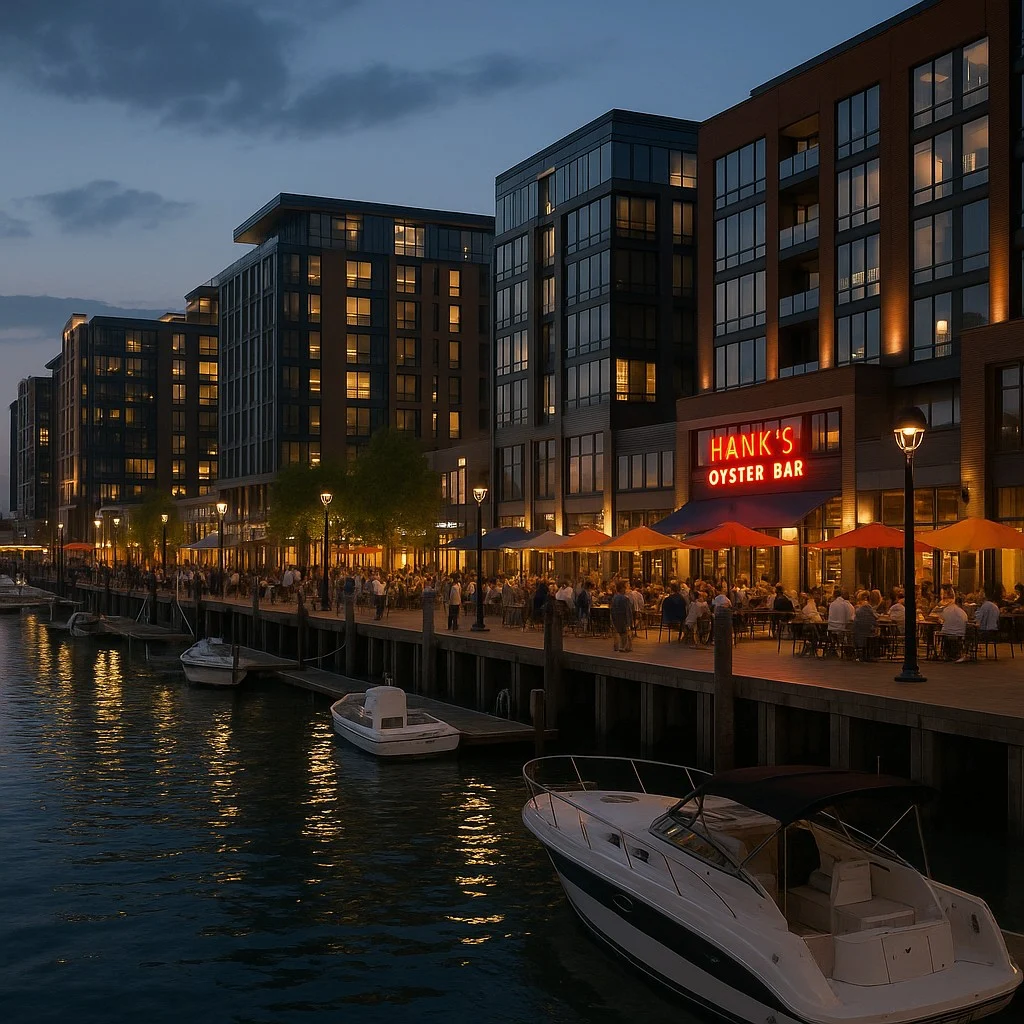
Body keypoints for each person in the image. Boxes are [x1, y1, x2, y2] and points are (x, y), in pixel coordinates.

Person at [852, 590, 878, 662]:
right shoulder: (869, 609)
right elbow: (875, 620)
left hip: (858, 631)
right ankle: (872, 654)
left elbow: (854, 620)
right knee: (875, 634)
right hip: (868, 631)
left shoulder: (858, 610)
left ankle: (861, 653)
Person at [610, 580, 633, 653]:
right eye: (626, 587)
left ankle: (617, 646)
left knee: (617, 633)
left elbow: (612, 609)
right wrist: (629, 622)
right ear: (623, 588)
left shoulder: (614, 597)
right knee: (624, 633)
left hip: (616, 618)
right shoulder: (625, 599)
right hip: (623, 619)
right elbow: (627, 612)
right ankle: (623, 647)